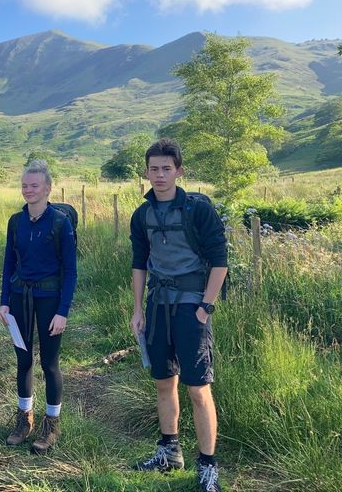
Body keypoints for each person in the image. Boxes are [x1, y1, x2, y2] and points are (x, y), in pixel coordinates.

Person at [129, 138, 227, 492]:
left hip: (192, 306)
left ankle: (208, 467)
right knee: (162, 382)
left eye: (166, 169)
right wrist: (138, 309)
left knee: (198, 389)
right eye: (153, 169)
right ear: (146, 172)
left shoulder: (198, 209)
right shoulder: (141, 214)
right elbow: (139, 264)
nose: (159, 175)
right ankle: (169, 452)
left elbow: (219, 260)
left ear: (179, 171)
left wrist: (206, 308)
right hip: (157, 306)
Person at [0, 160, 77, 454]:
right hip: (20, 299)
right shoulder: (15, 222)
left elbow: (70, 271)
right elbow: (8, 263)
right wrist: (4, 301)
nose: (28, 190)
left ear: (47, 188)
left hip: (50, 301)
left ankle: (51, 425)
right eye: (24, 186)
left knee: (50, 363)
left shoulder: (60, 222)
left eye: (34, 185)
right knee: (23, 360)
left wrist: (63, 311)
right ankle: (24, 420)